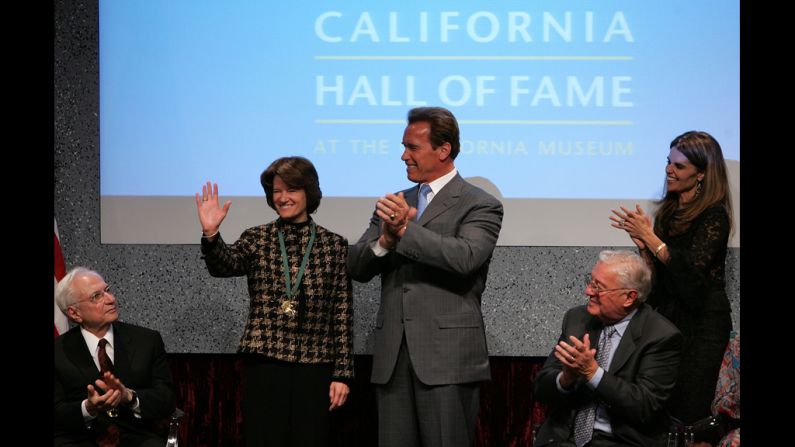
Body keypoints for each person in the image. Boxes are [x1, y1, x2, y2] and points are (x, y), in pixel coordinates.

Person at [347, 106, 504, 447]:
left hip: (447, 359)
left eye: (412, 147)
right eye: (403, 146)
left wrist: (405, 231)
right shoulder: (393, 203)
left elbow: (465, 258)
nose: (403, 156)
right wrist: (386, 240)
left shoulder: (480, 204)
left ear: (444, 149)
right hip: (393, 358)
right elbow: (356, 267)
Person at [196, 156, 353, 447]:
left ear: (309, 192)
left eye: (291, 189)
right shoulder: (258, 238)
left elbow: (341, 311)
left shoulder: (334, 245)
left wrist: (342, 374)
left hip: (315, 363)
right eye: (276, 191)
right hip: (265, 360)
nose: (282, 197)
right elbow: (223, 266)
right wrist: (211, 234)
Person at [609, 130, 733, 426]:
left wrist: (651, 238)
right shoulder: (668, 212)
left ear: (701, 174)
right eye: (668, 162)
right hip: (667, 317)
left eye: (679, 166)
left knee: (690, 409)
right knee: (659, 405)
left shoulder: (715, 216)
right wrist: (643, 248)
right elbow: (657, 280)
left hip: (702, 324)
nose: (669, 170)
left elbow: (690, 278)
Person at [534, 250, 683, 447]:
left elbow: (645, 407)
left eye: (599, 287)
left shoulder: (661, 335)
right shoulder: (577, 319)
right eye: (590, 281)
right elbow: (540, 390)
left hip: (621, 440)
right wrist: (566, 379)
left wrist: (592, 373)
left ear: (629, 297)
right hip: (563, 439)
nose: (588, 291)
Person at [54, 267, 176, 447]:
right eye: (96, 296)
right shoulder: (57, 351)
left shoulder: (147, 341)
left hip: (136, 436)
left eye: (107, 290)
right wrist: (88, 408)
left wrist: (129, 397)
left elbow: (166, 399)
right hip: (78, 438)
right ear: (74, 313)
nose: (111, 299)